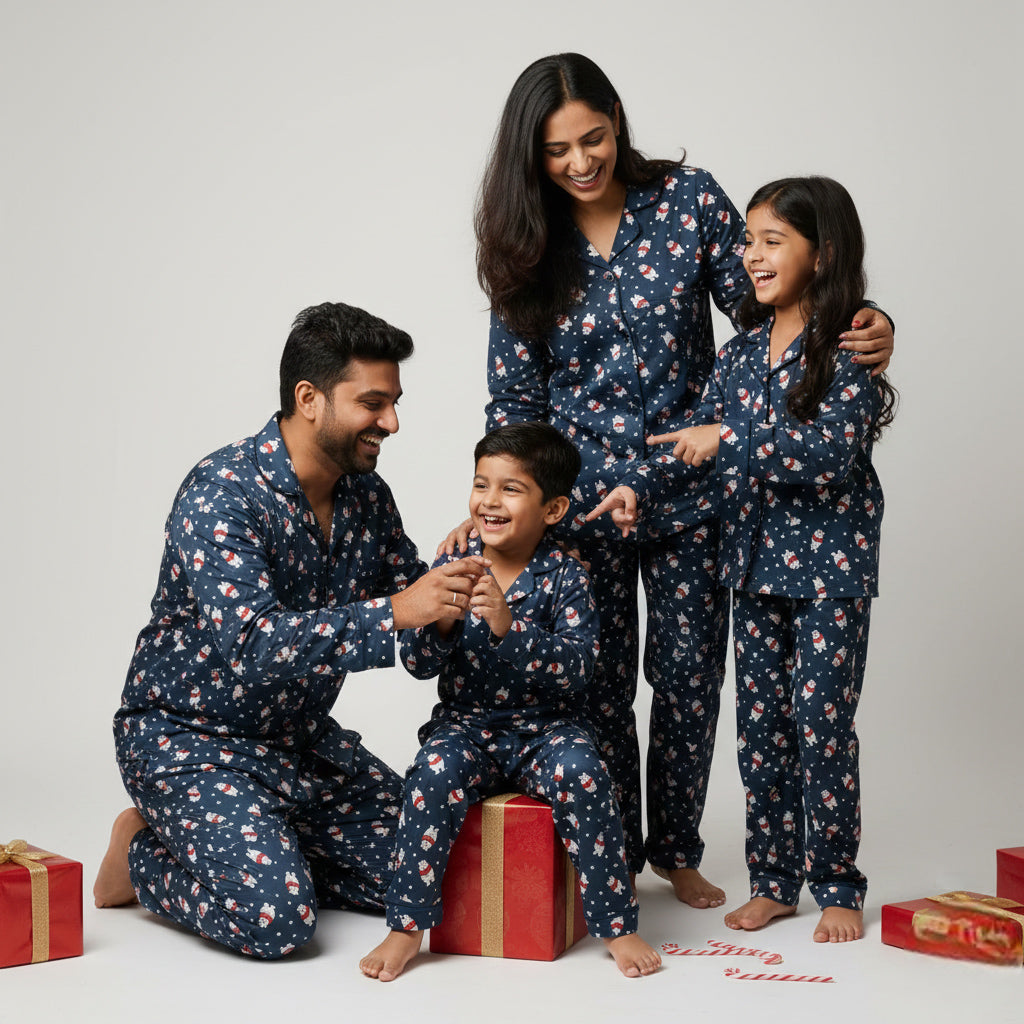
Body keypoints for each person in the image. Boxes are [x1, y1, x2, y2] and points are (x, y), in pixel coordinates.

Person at [447, 52, 894, 908]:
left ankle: (676, 849)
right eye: (556, 151)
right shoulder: (526, 247)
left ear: (618, 118)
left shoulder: (688, 201)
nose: (581, 162)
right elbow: (515, 398)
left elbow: (777, 299)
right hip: (580, 505)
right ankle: (606, 851)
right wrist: (507, 500)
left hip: (693, 493)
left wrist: (868, 322)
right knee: (597, 679)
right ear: (529, 158)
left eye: (595, 138)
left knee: (689, 678)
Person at [93, 301, 489, 959]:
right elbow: (256, 647)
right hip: (190, 744)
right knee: (277, 922)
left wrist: (452, 591)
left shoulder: (366, 497)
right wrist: (398, 609)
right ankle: (140, 851)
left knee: (433, 872)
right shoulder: (221, 493)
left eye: (393, 403)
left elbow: (417, 648)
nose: (391, 422)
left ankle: (266, 844)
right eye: (373, 403)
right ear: (309, 398)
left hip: (300, 747)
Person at [641, 176, 896, 942]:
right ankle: (777, 879)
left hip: (828, 573)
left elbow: (830, 453)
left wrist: (730, 442)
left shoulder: (849, 340)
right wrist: (636, 490)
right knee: (762, 729)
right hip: (750, 568)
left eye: (772, 241)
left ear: (821, 255)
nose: (752, 255)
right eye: (748, 240)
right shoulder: (744, 350)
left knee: (820, 721)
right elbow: (700, 446)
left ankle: (838, 884)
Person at [360, 423, 662, 981]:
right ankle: (405, 927)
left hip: (547, 728)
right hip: (467, 725)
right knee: (430, 773)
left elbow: (577, 671)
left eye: (511, 489)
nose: (489, 502)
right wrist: (440, 626)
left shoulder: (566, 575)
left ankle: (617, 924)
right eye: (481, 485)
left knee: (586, 773)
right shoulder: (453, 563)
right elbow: (418, 664)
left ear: (553, 509)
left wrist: (509, 627)